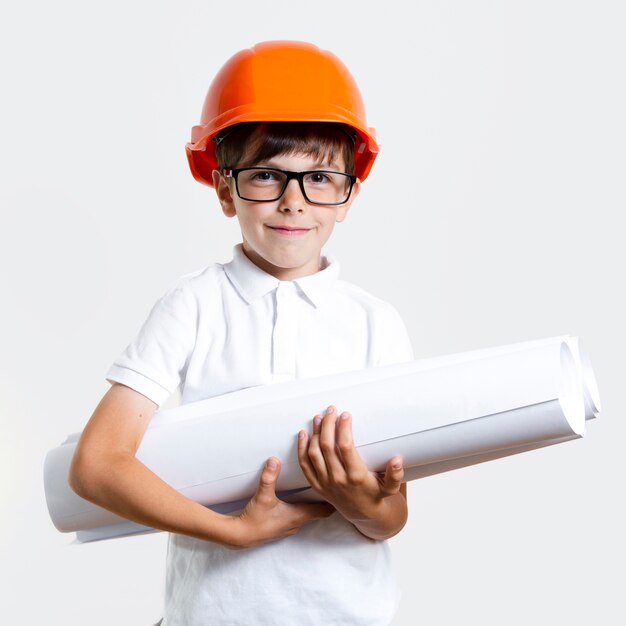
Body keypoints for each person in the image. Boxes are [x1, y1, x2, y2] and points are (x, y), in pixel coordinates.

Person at [69, 40, 414, 625]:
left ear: (348, 194)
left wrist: (365, 505)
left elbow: (393, 514)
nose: (292, 202)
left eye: (319, 179)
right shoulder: (195, 305)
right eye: (265, 176)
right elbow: (97, 464)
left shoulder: (376, 324)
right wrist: (231, 531)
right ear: (226, 189)